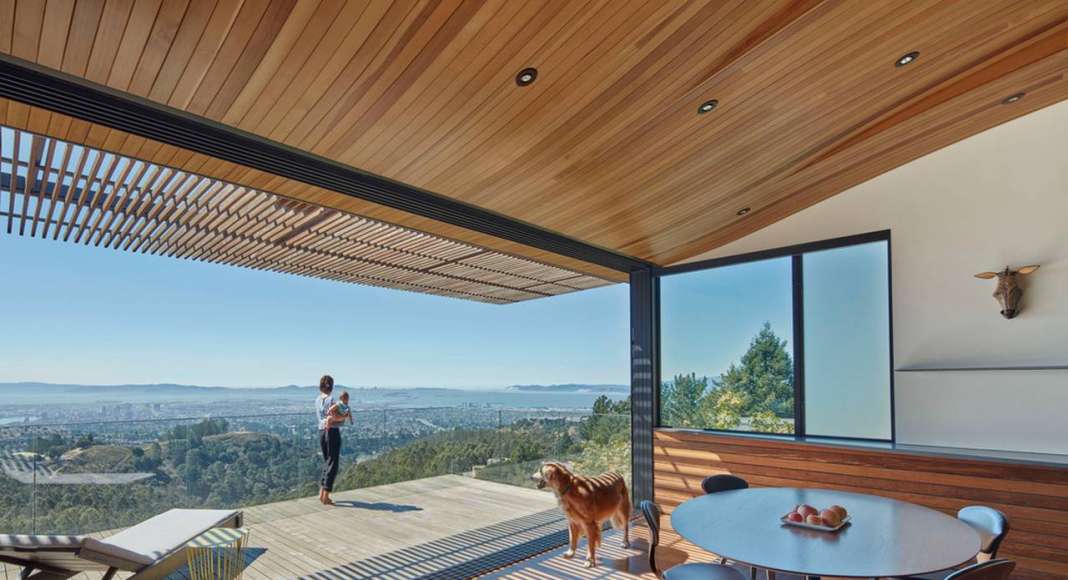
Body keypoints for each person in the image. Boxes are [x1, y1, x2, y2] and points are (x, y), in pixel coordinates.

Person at [316, 374, 343, 505]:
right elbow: (333, 418)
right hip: (331, 432)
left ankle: (321, 494)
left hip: (321, 432)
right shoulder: (332, 400)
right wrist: (344, 417)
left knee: (327, 462)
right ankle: (325, 496)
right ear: (331, 386)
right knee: (333, 463)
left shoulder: (317, 400)